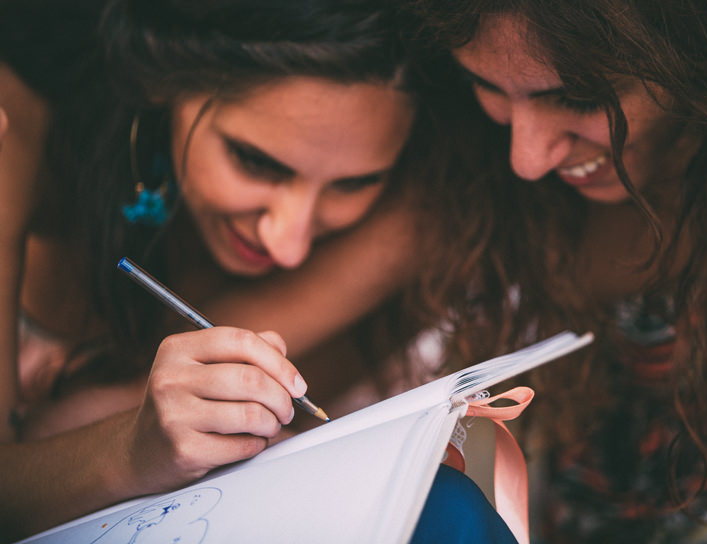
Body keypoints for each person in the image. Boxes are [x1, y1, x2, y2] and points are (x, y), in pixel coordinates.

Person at [0, 0, 514, 539]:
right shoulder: (19, 129)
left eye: (353, 184)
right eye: (257, 161)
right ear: (163, 76)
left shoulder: (425, 197)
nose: (288, 245)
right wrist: (130, 451)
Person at [407, 0, 707, 541]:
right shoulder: (477, 190)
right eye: (486, 84)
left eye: (578, 96)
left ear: (704, 57)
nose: (527, 159)